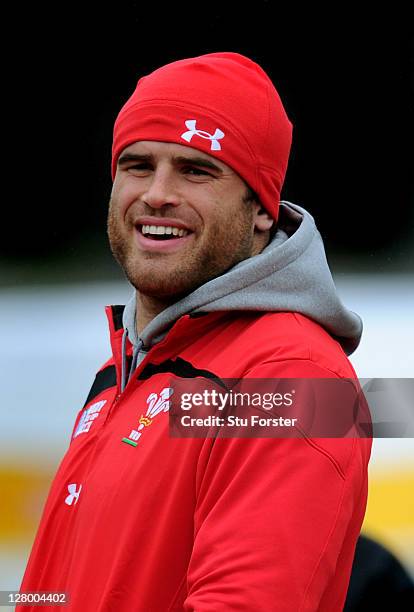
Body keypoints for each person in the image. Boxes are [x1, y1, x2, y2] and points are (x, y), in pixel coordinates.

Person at [18, 52, 371, 611]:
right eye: (137, 165)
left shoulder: (293, 379)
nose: (157, 193)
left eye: (196, 169)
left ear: (261, 207)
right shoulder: (124, 372)